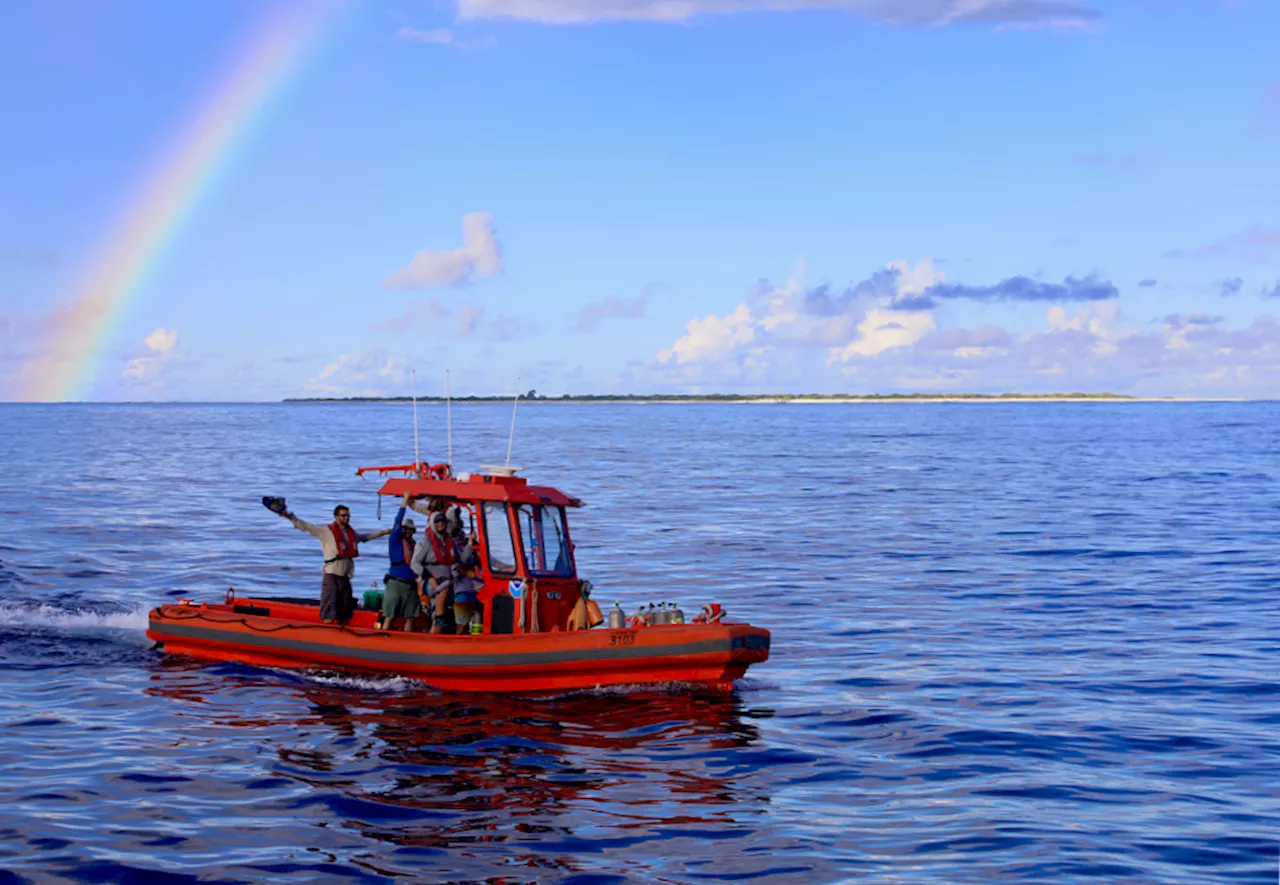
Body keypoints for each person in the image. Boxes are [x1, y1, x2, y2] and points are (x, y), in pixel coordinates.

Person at [276, 503, 391, 625]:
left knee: (346, 610)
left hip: (345, 577)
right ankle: (327, 634)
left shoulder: (350, 533)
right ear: (336, 517)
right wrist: (290, 516)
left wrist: (384, 532)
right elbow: (306, 527)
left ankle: (344, 634)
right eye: (343, 515)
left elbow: (365, 537)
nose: (346, 518)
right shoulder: (326, 532)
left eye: (348, 515)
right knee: (329, 609)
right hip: (332, 575)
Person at [411, 509, 478, 634]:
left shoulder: (450, 542)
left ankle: (438, 631)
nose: (441, 523)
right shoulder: (425, 542)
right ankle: (435, 631)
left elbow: (462, 559)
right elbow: (414, 563)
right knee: (441, 607)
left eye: (443, 521)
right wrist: (429, 577)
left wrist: (469, 543)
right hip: (430, 582)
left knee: (446, 597)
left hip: (446, 581)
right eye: (437, 521)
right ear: (432, 523)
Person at [377, 493, 424, 631]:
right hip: (396, 583)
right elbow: (398, 521)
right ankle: (383, 640)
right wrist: (404, 502)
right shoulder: (395, 541)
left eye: (410, 530)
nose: (408, 532)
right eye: (405, 529)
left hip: (411, 585)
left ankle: (407, 642)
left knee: (411, 616)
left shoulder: (414, 545)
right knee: (389, 615)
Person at [452, 561, 483, 634]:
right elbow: (460, 569)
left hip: (478, 597)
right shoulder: (458, 557)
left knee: (476, 627)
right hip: (465, 597)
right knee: (462, 628)